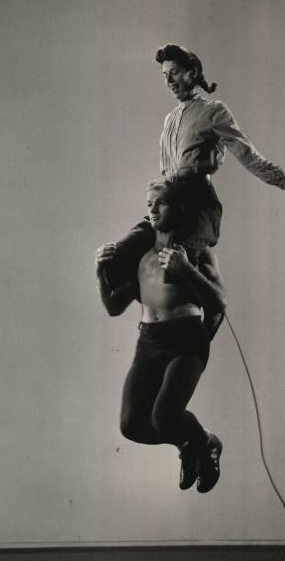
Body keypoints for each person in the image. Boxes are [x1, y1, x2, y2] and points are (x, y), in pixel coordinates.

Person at [105, 44, 285, 309]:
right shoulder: (170, 119)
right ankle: (157, 323)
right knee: (117, 258)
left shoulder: (214, 111)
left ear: (193, 73)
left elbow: (248, 156)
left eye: (176, 72)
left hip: (197, 207)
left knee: (177, 282)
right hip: (169, 204)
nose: (169, 80)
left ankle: (194, 326)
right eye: (164, 75)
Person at [96, 180, 228, 493]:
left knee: (165, 415)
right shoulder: (142, 256)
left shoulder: (196, 254)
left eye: (160, 203)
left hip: (186, 339)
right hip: (149, 342)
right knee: (131, 425)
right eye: (149, 205)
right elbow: (114, 307)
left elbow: (219, 303)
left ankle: (205, 445)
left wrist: (186, 270)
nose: (153, 210)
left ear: (178, 207)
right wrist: (100, 274)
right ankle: (196, 442)